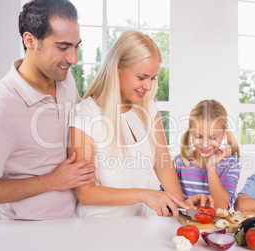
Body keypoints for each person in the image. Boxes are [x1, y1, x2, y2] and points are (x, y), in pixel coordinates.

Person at [0, 0, 95, 220]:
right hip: (23, 236)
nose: (73, 58)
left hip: (73, 227)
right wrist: (53, 180)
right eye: (63, 47)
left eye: (76, 46)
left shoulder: (64, 78)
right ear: (30, 41)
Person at [68, 30, 213, 218]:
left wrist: (181, 204)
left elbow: (163, 163)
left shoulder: (149, 110)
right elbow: (85, 193)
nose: (149, 86)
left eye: (152, 78)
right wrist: (143, 194)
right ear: (117, 67)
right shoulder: (85, 114)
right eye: (142, 77)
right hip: (96, 230)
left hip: (137, 226)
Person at [165, 99, 241, 210]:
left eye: (213, 138)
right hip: (183, 226)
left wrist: (211, 168)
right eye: (199, 137)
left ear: (224, 133)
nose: (205, 144)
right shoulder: (179, 163)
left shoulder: (231, 164)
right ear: (191, 131)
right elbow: (165, 203)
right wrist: (184, 204)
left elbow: (221, 207)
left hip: (215, 227)